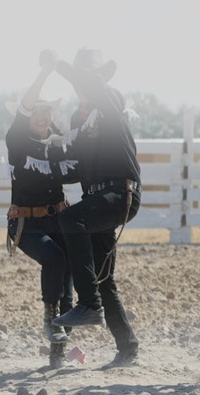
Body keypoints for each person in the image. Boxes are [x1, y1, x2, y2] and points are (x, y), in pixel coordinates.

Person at [45, 48, 141, 369]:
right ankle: (127, 346)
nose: (83, 84)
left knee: (71, 219)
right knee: (103, 277)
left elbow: (92, 85)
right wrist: (49, 158)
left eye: (89, 77)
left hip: (120, 192)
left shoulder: (111, 99)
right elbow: (77, 166)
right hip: (98, 199)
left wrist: (58, 65)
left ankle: (88, 304)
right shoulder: (79, 119)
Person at [7, 53, 78, 369]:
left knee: (70, 274)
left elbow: (81, 165)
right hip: (27, 222)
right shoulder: (17, 140)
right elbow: (24, 109)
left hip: (58, 218)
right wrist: (46, 73)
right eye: (37, 110)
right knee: (56, 258)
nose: (42, 115)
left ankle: (58, 350)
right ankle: (52, 320)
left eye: (47, 110)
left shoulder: (59, 143)